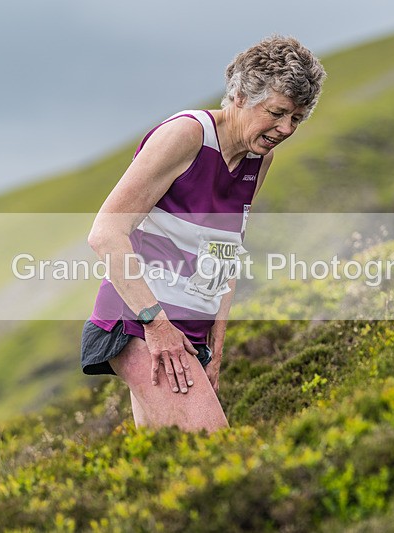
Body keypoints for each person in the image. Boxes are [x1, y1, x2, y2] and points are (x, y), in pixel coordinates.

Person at [82, 35, 326, 432]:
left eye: (296, 119)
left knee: (166, 468)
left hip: (190, 334)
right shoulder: (186, 135)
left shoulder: (259, 158)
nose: (284, 128)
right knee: (216, 456)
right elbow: (105, 233)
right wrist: (157, 327)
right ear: (242, 95)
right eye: (277, 112)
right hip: (139, 324)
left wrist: (216, 344)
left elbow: (226, 252)